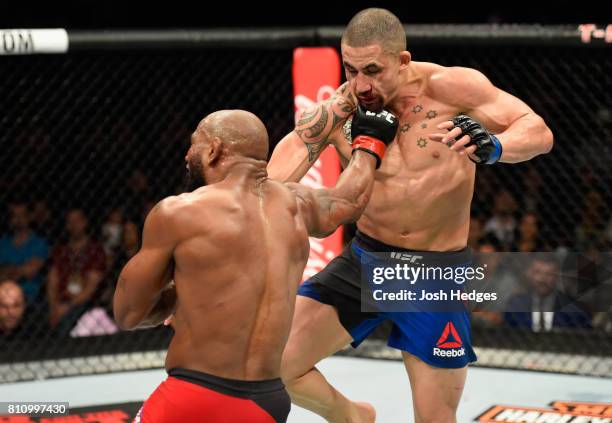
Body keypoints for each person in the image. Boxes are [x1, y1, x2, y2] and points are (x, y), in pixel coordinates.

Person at [267, 8, 553, 422]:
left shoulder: (452, 87)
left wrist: (495, 145)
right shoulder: (338, 111)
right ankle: (351, 416)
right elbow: (267, 184)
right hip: (364, 262)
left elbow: (538, 132)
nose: (361, 84)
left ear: (402, 61)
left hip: (434, 273)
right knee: (273, 364)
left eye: (372, 70)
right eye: (351, 69)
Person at [113, 108, 397, 422]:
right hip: (267, 403)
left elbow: (129, 313)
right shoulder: (297, 206)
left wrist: (181, 296)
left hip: (195, 396)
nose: (186, 154)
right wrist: (370, 144)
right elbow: (349, 201)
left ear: (213, 150)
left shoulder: (178, 212)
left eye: (193, 145)